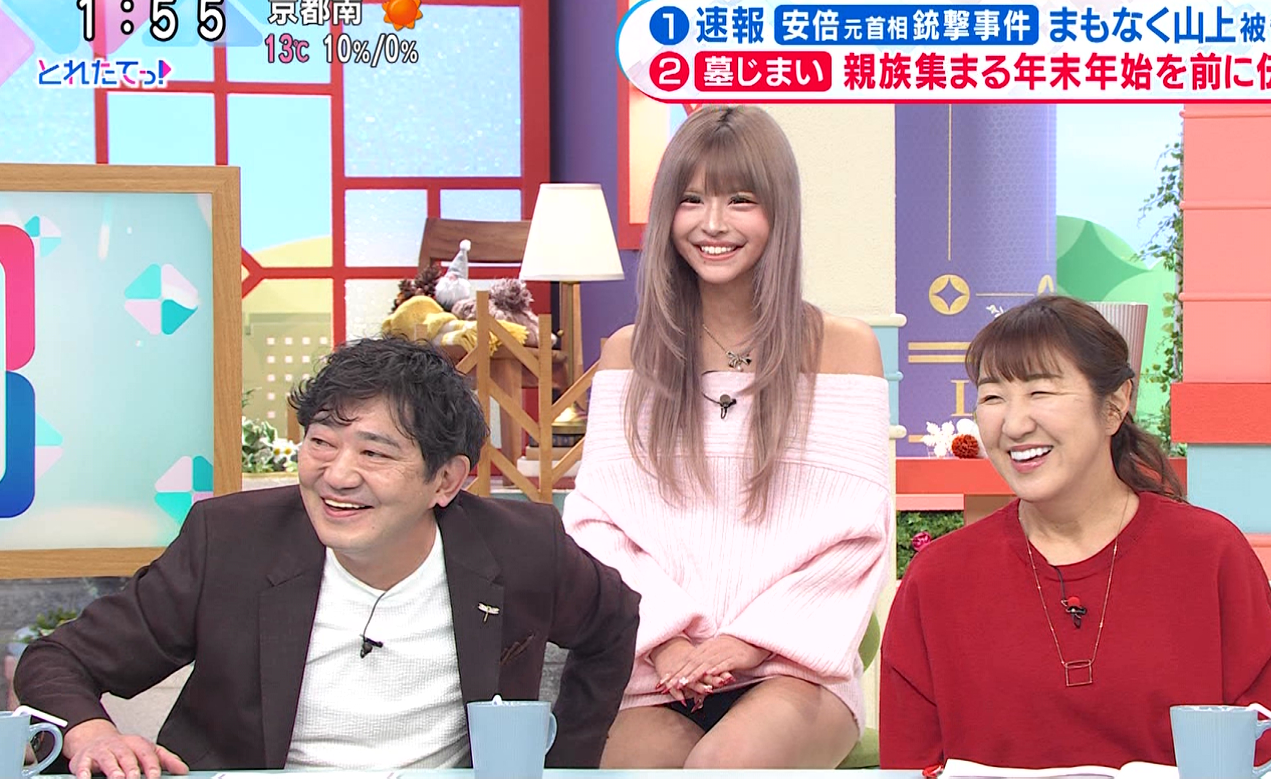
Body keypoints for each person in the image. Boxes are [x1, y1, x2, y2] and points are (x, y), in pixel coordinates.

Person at [14, 336, 640, 779]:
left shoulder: (521, 545)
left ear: (447, 480)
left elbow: (613, 624)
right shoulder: (230, 540)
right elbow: (58, 659)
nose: (337, 475)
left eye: (374, 453)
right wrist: (92, 733)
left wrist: (565, 764)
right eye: (320, 442)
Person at [560, 104, 892, 769]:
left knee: (723, 767)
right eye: (691, 200)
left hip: (793, 666)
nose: (712, 224)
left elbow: (856, 535)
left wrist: (746, 643)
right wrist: (667, 643)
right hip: (652, 665)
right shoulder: (629, 354)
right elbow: (599, 527)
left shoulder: (843, 349)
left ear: (778, 213)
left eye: (740, 200)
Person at [879, 295, 1271, 770]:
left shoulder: (1210, 555)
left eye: (1041, 392)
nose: (1014, 424)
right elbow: (909, 765)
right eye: (993, 397)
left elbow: (1269, 755)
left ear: (1115, 405)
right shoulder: (939, 578)